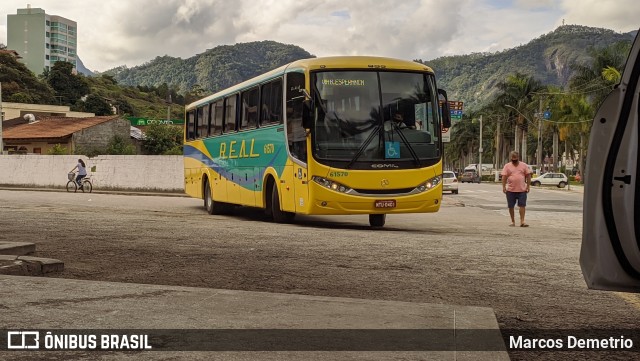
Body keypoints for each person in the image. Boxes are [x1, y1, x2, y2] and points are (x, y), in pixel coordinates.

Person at [501, 151, 531, 227]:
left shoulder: (523, 165)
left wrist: (528, 186)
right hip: (510, 190)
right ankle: (512, 221)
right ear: (510, 158)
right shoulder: (507, 166)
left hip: (522, 190)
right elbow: (504, 177)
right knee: (511, 206)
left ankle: (522, 221)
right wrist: (504, 187)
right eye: (512, 158)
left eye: (515, 158)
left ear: (518, 158)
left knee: (522, 205)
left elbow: (528, 175)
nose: (514, 159)